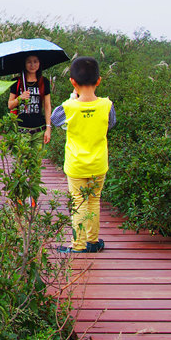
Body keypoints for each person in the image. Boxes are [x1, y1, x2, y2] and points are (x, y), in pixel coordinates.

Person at [49, 56, 115, 253]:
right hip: (98, 163)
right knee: (94, 200)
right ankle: (92, 241)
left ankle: (78, 244)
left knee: (78, 202)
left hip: (76, 165)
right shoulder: (107, 105)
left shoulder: (68, 107)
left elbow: (55, 119)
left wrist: (73, 100)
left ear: (73, 82)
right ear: (99, 81)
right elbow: (110, 124)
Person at [7, 54, 53, 144]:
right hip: (21, 131)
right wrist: (20, 98)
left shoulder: (44, 82)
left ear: (39, 63)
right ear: (24, 63)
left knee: (38, 158)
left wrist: (48, 128)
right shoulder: (16, 82)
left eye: (35, 61)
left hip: (39, 130)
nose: (32, 65)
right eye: (29, 62)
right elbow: (10, 105)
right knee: (23, 158)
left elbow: (47, 106)